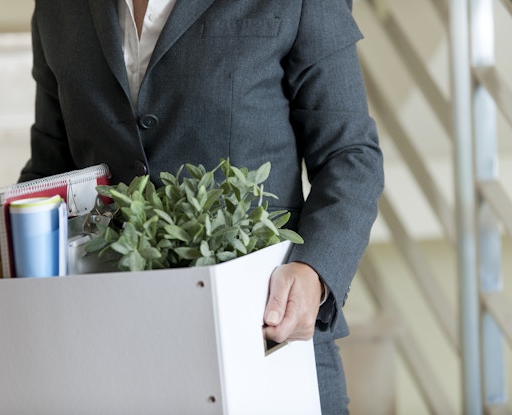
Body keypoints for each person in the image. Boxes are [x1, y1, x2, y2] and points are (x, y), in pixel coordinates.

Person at [19, 0, 384, 412]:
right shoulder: (56, 8)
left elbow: (349, 154)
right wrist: (4, 250)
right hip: (114, 353)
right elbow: (51, 169)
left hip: (264, 341)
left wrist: (314, 269)